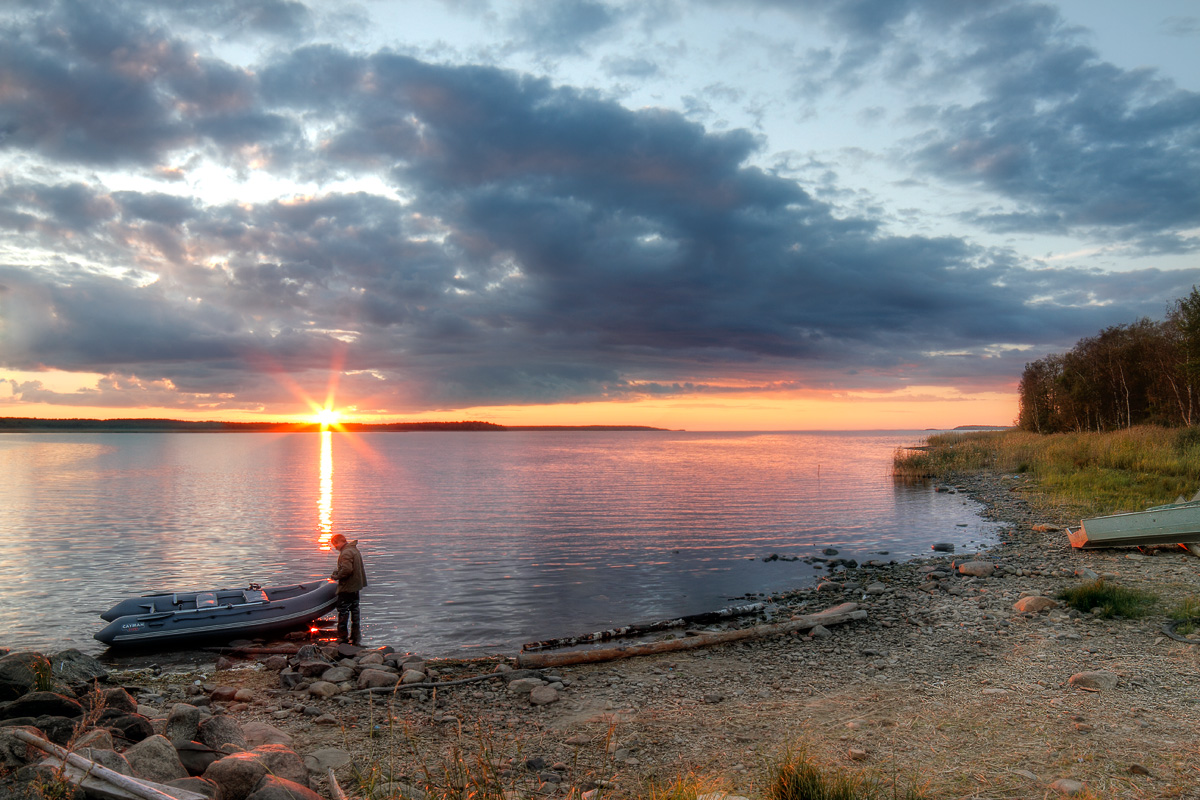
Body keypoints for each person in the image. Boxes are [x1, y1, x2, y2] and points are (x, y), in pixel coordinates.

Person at [329, 533, 367, 645]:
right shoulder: (354, 550)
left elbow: (347, 570)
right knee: (355, 610)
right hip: (356, 586)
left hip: (347, 587)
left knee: (343, 610)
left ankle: (342, 637)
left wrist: (336, 576)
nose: (335, 547)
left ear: (340, 542)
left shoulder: (346, 552)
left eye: (335, 544)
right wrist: (338, 571)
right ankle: (356, 637)